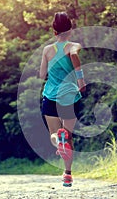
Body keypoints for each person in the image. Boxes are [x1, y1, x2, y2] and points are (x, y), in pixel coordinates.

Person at [39, 12, 86, 187]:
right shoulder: (74, 45)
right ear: (71, 29)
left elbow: (42, 74)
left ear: (54, 31)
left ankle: (58, 141)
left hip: (50, 96)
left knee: (54, 134)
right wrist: (81, 81)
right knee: (68, 136)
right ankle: (67, 174)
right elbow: (74, 55)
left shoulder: (46, 50)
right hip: (69, 96)